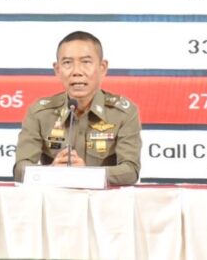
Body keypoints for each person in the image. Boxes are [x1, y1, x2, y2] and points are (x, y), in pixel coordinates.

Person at [13, 31, 142, 185]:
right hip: (55, 198)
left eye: (86, 62)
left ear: (102, 68)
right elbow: (20, 170)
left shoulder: (123, 113)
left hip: (103, 199)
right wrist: (51, 171)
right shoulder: (40, 113)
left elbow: (130, 171)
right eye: (67, 63)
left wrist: (86, 175)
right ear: (57, 69)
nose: (77, 72)